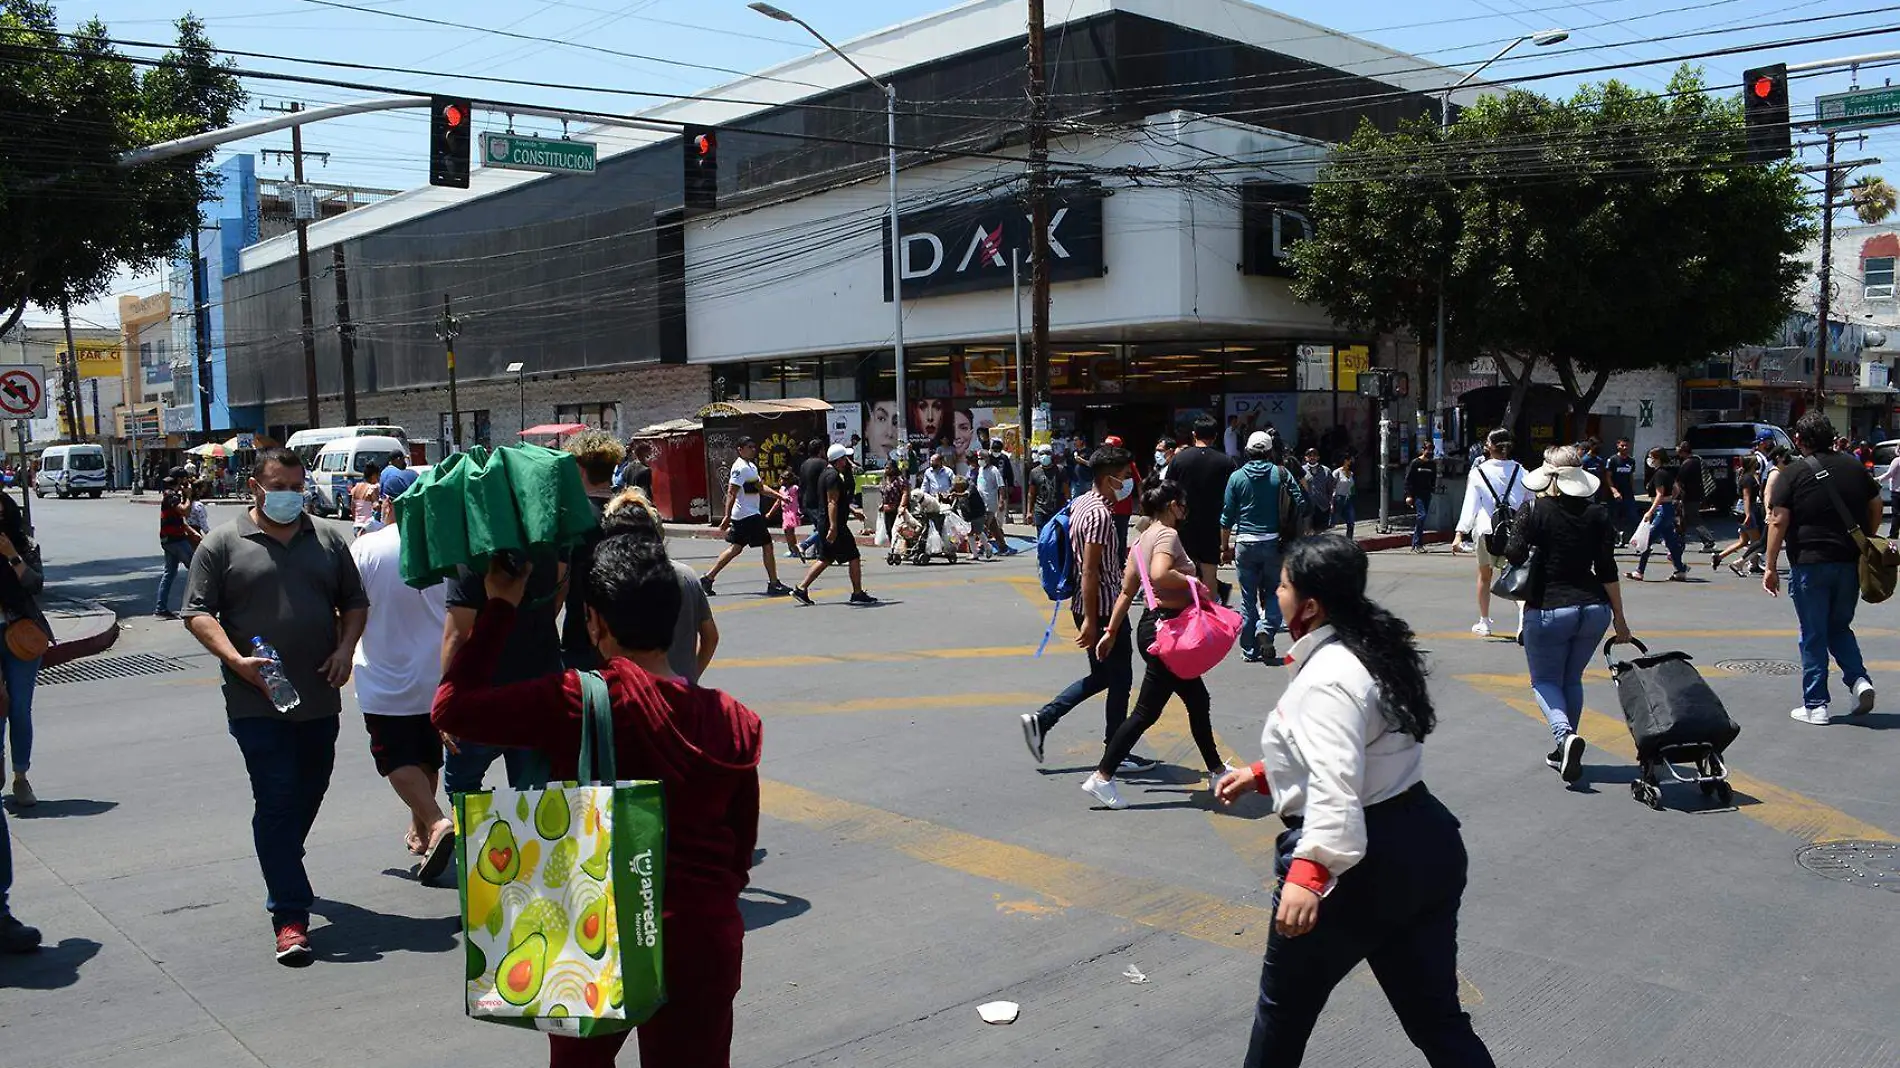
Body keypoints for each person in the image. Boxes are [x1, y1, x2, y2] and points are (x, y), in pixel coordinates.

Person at [432, 537, 761, 1068]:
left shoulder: (576, 701)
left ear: (594, 623)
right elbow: (740, 850)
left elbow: (452, 707)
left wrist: (500, 607)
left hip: (597, 930)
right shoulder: (735, 720)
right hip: (701, 936)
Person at [1215, 535, 1495, 1068]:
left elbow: (1336, 779)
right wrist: (1263, 774)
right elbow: (1365, 748)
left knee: (1282, 1017)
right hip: (1423, 841)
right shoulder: (1369, 649)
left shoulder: (1327, 678)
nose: (1276, 593)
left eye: (1283, 586)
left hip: (1359, 864)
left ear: (1310, 606)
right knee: (1437, 1021)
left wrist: (1310, 871)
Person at [181, 447, 368, 965]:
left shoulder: (327, 538)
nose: (289, 495)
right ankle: (290, 915)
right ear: (255, 487)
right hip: (255, 700)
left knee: (309, 789)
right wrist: (235, 660)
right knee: (278, 795)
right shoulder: (222, 543)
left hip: (319, 696)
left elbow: (355, 602)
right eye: (278, 486)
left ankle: (282, 855)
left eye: (296, 486)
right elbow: (197, 612)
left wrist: (345, 649)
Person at [1079, 479, 1233, 809]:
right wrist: (1193, 581)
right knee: (1146, 712)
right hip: (1170, 632)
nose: (1185, 510)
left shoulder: (1141, 540)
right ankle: (1102, 777)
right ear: (1171, 505)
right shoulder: (1167, 535)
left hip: (1155, 628)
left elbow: (1126, 592)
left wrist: (1111, 631)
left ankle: (1217, 771)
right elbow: (1161, 574)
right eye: (1182, 504)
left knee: (1197, 700)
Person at [347, 466, 456, 882]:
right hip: (437, 674)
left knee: (394, 757)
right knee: (427, 756)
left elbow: (347, 607)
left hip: (385, 675)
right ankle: (422, 829)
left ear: (388, 503)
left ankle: (436, 821)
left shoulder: (367, 548)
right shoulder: (444, 546)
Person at [1019, 446, 1153, 775]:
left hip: (1088, 604)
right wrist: (1093, 621)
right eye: (1124, 477)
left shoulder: (1080, 503)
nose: (1128, 483)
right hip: (1102, 607)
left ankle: (1044, 720)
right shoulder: (1099, 515)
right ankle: (1115, 751)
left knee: (1105, 676)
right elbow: (1090, 570)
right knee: (1120, 679)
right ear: (1109, 478)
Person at [1504, 447, 1631, 783]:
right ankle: (1564, 750)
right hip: (1594, 608)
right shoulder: (1597, 513)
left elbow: (1514, 554)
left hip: (1549, 608)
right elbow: (1607, 569)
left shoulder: (1533, 509)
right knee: (1571, 678)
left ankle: (1564, 736)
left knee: (1545, 681)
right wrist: (1620, 618)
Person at [1763, 412, 1880, 726]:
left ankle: (1815, 705)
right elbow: (1876, 504)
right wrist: (1866, 537)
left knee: (1813, 633)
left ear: (1799, 440)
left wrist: (1770, 566)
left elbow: (1778, 520)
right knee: (1839, 627)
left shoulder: (1793, 473)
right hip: (1849, 562)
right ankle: (1859, 681)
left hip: (1810, 563)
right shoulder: (1855, 468)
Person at [602, 490, 719, 682]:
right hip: (682, 688)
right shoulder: (686, 575)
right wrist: (691, 677)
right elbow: (711, 637)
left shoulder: (614, 581)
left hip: (634, 688)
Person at [1222, 431, 1305, 664]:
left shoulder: (1237, 477)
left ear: (1248, 451)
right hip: (1274, 542)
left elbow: (1226, 516)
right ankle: (1266, 629)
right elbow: (1300, 502)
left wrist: (1224, 546)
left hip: (1245, 543)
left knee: (1248, 599)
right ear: (1269, 452)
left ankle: (1249, 650)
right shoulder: (1281, 473)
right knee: (1275, 592)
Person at [1452, 428, 1532, 637]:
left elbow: (1470, 505)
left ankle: (1484, 622)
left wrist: (1460, 533)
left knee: (1484, 576)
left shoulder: (1478, 473)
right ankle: (1523, 618)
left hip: (1486, 530)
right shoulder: (1521, 471)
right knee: (1516, 575)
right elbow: (1529, 502)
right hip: (1515, 531)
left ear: (1490, 446)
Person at [562, 430, 626, 672]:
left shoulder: (576, 518)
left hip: (584, 636)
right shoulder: (632, 510)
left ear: (579, 469)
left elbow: (561, 581)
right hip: (631, 632)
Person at [699, 436, 792, 598]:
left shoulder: (751, 467)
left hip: (748, 514)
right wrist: (727, 516)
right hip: (747, 515)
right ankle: (774, 583)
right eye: (749, 447)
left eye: (753, 446)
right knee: (767, 545)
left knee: (736, 548)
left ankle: (708, 578)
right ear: (740, 449)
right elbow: (731, 492)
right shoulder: (739, 468)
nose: (753, 449)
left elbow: (761, 488)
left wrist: (780, 496)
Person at [0, 494, 47, 811]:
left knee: (19, 708)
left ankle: (20, 776)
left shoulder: (24, 547)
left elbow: (35, 585)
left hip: (20, 633)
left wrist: (12, 556)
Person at [1166, 415, 1238, 603]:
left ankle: (1187, 611)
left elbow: (1168, 491)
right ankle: (1210, 611)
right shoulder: (1226, 462)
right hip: (1212, 524)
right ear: (1215, 436)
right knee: (1209, 574)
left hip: (1183, 523)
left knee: (1184, 571)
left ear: (1193, 434)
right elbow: (1232, 497)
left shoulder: (1179, 459)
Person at [793, 445, 877, 606]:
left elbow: (837, 500)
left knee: (825, 558)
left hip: (828, 523)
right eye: (844, 459)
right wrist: (833, 527)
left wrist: (853, 511)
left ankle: (801, 588)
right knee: (853, 556)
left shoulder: (826, 474)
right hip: (835, 524)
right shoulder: (833, 476)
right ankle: (857, 593)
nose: (846, 462)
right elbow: (832, 502)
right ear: (839, 460)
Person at [1627, 446, 1688, 583]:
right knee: (1671, 542)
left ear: (1657, 458)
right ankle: (1680, 570)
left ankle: (1639, 571)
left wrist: (1650, 511)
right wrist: (1670, 500)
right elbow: (1676, 490)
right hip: (1667, 509)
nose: (1649, 460)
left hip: (1662, 510)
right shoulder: (1666, 472)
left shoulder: (1659, 474)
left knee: (1647, 540)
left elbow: (1660, 494)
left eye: (1651, 457)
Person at [153, 466, 201, 619]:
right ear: (180, 479)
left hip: (170, 538)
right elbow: (184, 511)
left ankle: (161, 608)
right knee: (196, 569)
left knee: (170, 573)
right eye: (185, 479)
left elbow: (180, 519)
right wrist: (189, 496)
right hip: (175, 540)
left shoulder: (171, 494)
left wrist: (191, 533)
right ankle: (197, 606)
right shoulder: (171, 495)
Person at [1713, 453, 1764, 576]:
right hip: (1746, 509)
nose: (1758, 463)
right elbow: (1746, 497)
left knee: (1743, 541)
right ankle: (1740, 564)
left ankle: (1719, 557)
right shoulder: (1748, 479)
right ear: (1752, 464)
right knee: (1758, 542)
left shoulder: (1750, 476)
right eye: (1755, 462)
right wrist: (1748, 514)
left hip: (1744, 508)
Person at [795, 439, 829, 559]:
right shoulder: (823, 463)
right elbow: (826, 482)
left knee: (818, 526)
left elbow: (801, 484)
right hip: (818, 501)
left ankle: (818, 552)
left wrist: (800, 503)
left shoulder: (804, 464)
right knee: (825, 527)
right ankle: (804, 545)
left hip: (806, 500)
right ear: (821, 450)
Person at [1404, 443, 1437, 553]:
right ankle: (1418, 543)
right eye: (1428, 450)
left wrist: (1433, 488)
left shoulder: (1432, 464)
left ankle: (1415, 543)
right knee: (1421, 516)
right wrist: (1409, 495)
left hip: (1427, 494)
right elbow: (1408, 480)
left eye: (1432, 450)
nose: (1430, 452)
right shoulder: (1415, 463)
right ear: (1423, 450)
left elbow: (1433, 479)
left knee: (1423, 517)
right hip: (1417, 494)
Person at [1605, 439, 1639, 546]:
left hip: (1628, 493)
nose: (1625, 448)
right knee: (1613, 517)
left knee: (1633, 516)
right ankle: (1615, 538)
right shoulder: (1612, 460)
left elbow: (1631, 476)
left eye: (1626, 446)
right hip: (1614, 494)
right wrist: (1614, 491)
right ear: (1618, 446)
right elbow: (1608, 477)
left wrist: (1632, 489)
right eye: (1622, 445)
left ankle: (1630, 538)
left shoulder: (1631, 461)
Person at [1027, 447, 1067, 531]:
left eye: (1047, 453)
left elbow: (1066, 490)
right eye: (1042, 454)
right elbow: (1031, 493)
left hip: (1057, 509)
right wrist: (1029, 512)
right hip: (1040, 510)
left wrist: (1068, 507)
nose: (1045, 456)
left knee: (1056, 535)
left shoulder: (1060, 470)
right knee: (1042, 535)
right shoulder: (1034, 472)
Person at [348, 459, 384, 536]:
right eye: (378, 476)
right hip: (368, 527)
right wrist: (382, 505)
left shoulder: (356, 488)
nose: (379, 478)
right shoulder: (373, 488)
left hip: (357, 526)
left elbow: (353, 508)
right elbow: (376, 505)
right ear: (374, 475)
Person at [774, 469, 802, 560]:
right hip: (785, 513)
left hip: (792, 513)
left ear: (788, 480)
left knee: (790, 532)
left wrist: (801, 510)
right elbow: (778, 502)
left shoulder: (794, 488)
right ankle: (792, 549)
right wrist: (770, 513)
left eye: (783, 479)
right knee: (787, 532)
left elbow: (800, 499)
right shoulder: (782, 489)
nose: (781, 480)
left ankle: (794, 550)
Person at [1330, 456, 1358, 539]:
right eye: (1349, 460)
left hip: (1348, 498)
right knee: (1334, 521)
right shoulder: (1337, 472)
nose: (1351, 462)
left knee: (1351, 521)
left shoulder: (1351, 473)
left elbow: (1352, 487)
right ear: (1345, 461)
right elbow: (1332, 487)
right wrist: (1331, 502)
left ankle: (1349, 540)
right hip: (1338, 498)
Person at [1879, 445, 1900, 539]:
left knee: (1896, 513)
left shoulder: (1897, 460)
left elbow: (1889, 474)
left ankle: (1894, 534)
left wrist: (1877, 479)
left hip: (1897, 491)